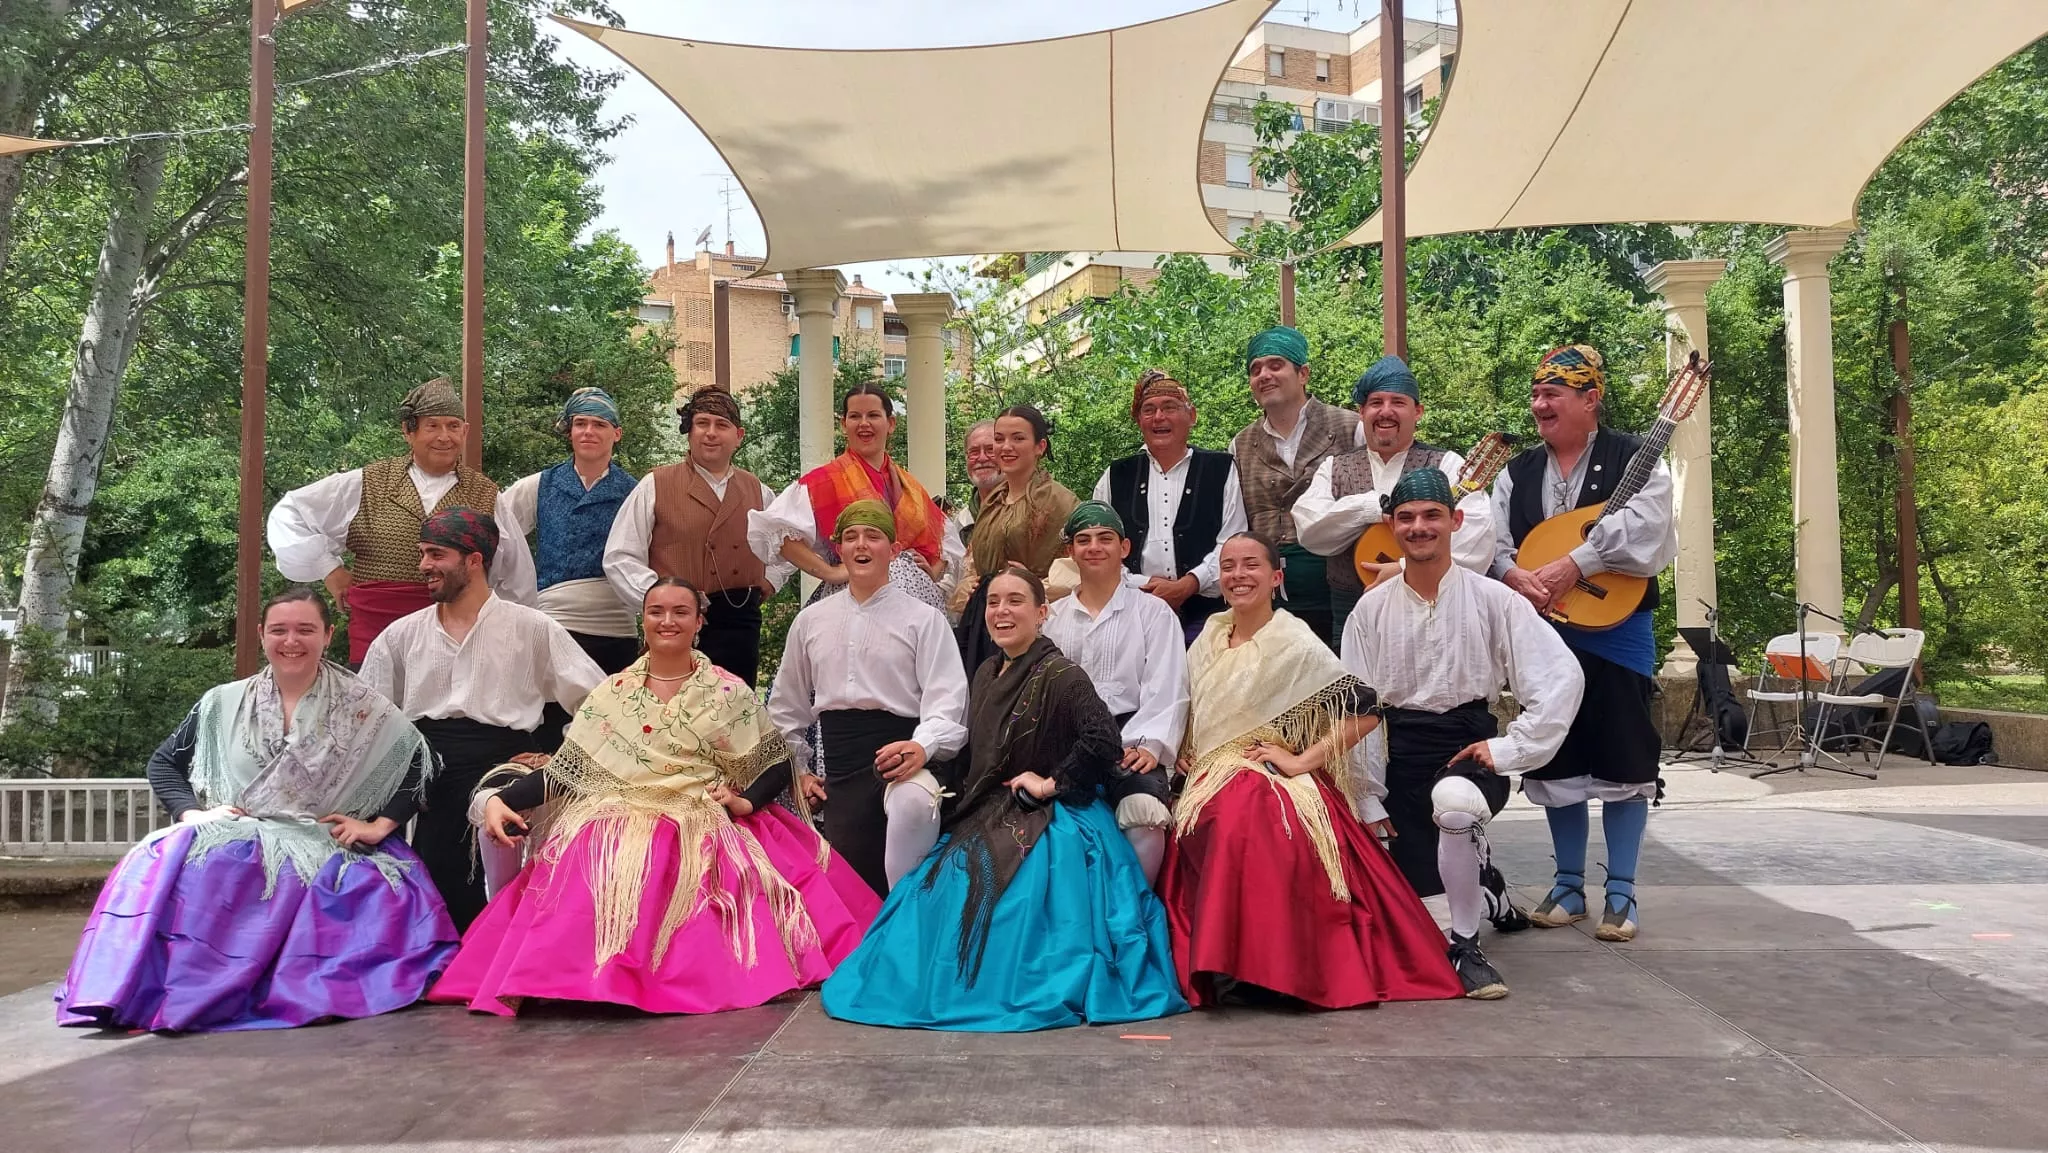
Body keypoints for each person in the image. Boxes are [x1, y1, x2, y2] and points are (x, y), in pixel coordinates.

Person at [429, 579, 881, 1016]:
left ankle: (655, 983)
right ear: (641, 620)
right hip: (613, 810)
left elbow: (773, 762)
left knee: (673, 848)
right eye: (656, 612)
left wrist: (745, 803)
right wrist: (498, 797)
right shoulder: (612, 692)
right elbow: (571, 769)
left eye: (681, 611)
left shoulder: (727, 691)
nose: (668, 620)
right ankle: (577, 980)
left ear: (700, 621)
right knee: (589, 845)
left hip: (699, 812)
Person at [57, 588, 456, 1032]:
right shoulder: (222, 703)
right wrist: (192, 814)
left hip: (321, 839)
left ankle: (228, 995)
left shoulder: (366, 707)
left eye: (305, 630)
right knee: (163, 859)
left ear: (328, 634)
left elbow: (423, 763)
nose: (291, 641)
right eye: (279, 630)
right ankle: (152, 992)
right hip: (239, 829)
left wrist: (379, 826)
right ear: (261, 634)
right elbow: (164, 762)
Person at [821, 565, 1189, 1031]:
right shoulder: (989, 672)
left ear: (1042, 612)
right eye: (994, 602)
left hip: (1056, 816)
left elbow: (1102, 740)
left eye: (1016, 601)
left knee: (1010, 902)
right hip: (996, 807)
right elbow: (980, 753)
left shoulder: (1061, 673)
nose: (1002, 611)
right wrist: (921, 757)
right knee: (942, 883)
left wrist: (1050, 784)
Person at [1159, 532, 1461, 1010]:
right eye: (1229, 566)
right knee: (1225, 813)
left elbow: (1365, 710)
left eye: (1251, 565)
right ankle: (1233, 963)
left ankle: (1275, 969)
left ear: (1277, 577)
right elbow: (1186, 708)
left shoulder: (1294, 639)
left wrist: (1300, 761)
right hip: (1207, 773)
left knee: (1251, 815)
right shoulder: (1207, 639)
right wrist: (1179, 748)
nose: (1239, 576)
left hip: (1268, 768)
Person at [1343, 470, 1585, 999]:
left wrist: (1510, 748)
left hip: (1468, 745)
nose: (1419, 526)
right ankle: (1487, 884)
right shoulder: (1369, 610)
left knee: (1454, 806)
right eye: (1406, 517)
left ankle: (1468, 948)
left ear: (1455, 521)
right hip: (1398, 751)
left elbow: (1560, 676)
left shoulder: (1493, 599)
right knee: (1419, 922)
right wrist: (1366, 794)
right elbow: (1356, 708)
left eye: (1432, 515)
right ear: (1391, 526)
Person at [1491, 344, 1677, 942]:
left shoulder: (1635, 458)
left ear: (1590, 399)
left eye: (1554, 394)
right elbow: (1489, 540)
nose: (1540, 404)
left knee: (1624, 752)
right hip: (1543, 629)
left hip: (1618, 629)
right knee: (1557, 753)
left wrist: (1576, 562)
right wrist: (1509, 572)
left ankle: (1620, 892)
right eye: (1537, 393)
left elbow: (1648, 529)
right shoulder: (1516, 472)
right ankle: (1568, 884)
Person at [358, 508, 604, 930]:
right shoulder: (401, 635)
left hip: (503, 767)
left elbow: (600, 703)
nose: (424, 566)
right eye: (422, 554)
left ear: (474, 559)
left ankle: (494, 967)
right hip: (425, 771)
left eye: (436, 554)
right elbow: (365, 721)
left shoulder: (532, 628)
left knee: (501, 872)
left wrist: (560, 759)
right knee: (431, 880)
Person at [767, 500, 970, 897]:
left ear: (892, 550)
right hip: (840, 769)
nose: (862, 545)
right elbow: (785, 707)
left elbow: (949, 703)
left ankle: (906, 931)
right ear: (838, 549)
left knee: (914, 808)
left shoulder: (924, 619)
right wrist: (800, 771)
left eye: (873, 536)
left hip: (905, 756)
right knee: (851, 886)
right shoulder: (811, 621)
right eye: (851, 537)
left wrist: (921, 746)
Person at [267, 377, 534, 664]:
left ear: (465, 431)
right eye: (433, 426)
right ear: (408, 431)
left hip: (460, 639)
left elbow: (517, 577)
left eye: (453, 426)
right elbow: (290, 513)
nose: (445, 437)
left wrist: (509, 639)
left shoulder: (485, 494)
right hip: (378, 636)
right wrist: (329, 569)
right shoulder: (367, 483)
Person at [1292, 355, 1495, 629]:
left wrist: (1404, 569)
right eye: (1376, 402)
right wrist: (1373, 507)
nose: (1385, 411)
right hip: (1353, 612)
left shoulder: (1449, 466)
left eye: (1398, 402)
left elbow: (1476, 539)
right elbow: (1310, 531)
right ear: (1361, 412)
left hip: (1432, 613)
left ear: (1418, 411)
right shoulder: (1334, 467)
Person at [1040, 502, 1182, 884]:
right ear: (1070, 551)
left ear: (1124, 548)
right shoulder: (1051, 618)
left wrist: (1149, 745)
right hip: (1068, 741)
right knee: (1045, 816)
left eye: (1105, 538)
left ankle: (1136, 911)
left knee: (1143, 811)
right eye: (1083, 540)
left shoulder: (1154, 612)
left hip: (1131, 738)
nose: (1094, 547)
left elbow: (1167, 685)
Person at [604, 387, 775, 687]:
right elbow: (619, 557)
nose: (711, 433)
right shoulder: (655, 484)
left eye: (721, 425)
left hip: (740, 628)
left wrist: (772, 579)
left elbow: (788, 548)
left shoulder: (759, 491)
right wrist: (662, 598)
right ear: (689, 431)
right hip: (676, 627)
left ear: (739, 436)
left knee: (732, 720)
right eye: (702, 423)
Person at [748, 382, 958, 612]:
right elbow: (776, 531)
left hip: (916, 600)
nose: (864, 423)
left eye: (873, 415)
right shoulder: (824, 481)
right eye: (855, 416)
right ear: (844, 424)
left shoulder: (911, 487)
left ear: (891, 424)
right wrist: (831, 572)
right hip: (853, 599)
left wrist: (932, 571)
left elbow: (945, 539)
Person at [1229, 327, 1362, 649]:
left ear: (1303, 373)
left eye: (1276, 365)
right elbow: (1236, 523)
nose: (1264, 375)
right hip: (1271, 595)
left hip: (1342, 588)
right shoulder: (1240, 444)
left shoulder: (1350, 428)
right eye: (1255, 369)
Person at [1091, 369, 1244, 643]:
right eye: (1148, 410)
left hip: (1208, 617)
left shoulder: (1220, 469)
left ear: (1192, 416)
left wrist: (1189, 584)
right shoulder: (1116, 475)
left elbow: (1232, 541)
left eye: (1169, 407)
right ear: (1139, 420)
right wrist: (1143, 585)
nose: (1158, 417)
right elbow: (1098, 545)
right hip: (1132, 611)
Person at [499, 386, 639, 675]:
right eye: (580, 423)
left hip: (615, 627)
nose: (589, 431)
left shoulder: (636, 493)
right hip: (553, 622)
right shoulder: (539, 485)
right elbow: (498, 537)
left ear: (617, 434)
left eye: (599, 424)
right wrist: (514, 599)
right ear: (570, 432)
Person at [950, 404, 1080, 673]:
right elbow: (974, 560)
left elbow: (1079, 567)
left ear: (1040, 446)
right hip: (986, 621)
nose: (1005, 447)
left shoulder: (1060, 502)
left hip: (1037, 624)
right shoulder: (993, 502)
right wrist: (972, 586)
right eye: (999, 439)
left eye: (1018, 438)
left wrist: (1032, 586)